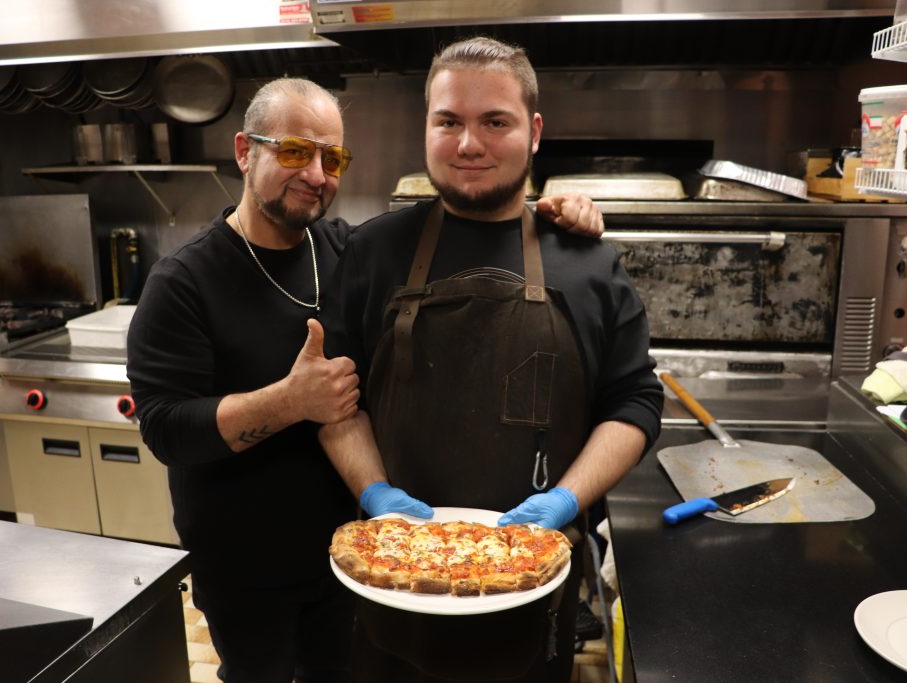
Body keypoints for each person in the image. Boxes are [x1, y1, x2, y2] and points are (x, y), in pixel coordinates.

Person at [126, 77, 606, 683]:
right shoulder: (184, 282)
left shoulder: (341, 247)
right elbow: (166, 429)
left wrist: (545, 211)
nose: (316, 174)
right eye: (296, 151)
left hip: (354, 552)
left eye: (334, 158)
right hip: (246, 565)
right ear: (246, 151)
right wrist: (290, 401)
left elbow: (463, 229)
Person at [318, 37, 664, 683]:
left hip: (531, 601)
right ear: (426, 127)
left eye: (494, 121)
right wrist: (373, 493)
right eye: (448, 120)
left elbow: (636, 402)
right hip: (390, 582)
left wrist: (566, 499)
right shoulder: (373, 251)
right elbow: (335, 399)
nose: (468, 144)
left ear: (533, 131)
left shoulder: (587, 260)